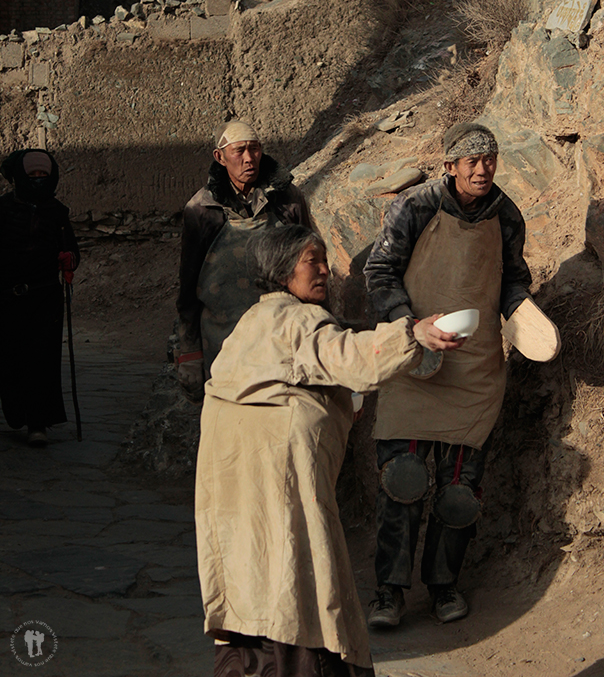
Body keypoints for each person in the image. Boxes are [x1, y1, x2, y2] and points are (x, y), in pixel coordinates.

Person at [195, 224, 455, 677]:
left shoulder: (250, 325)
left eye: (321, 259)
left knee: (251, 583)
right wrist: (411, 335)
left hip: (232, 487)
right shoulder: (297, 320)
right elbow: (348, 356)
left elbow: (295, 383)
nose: (322, 270)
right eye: (309, 261)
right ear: (281, 273)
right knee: (299, 584)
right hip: (280, 485)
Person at [364, 122, 532, 627]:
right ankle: (389, 593)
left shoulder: (506, 216)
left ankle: (443, 586)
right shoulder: (414, 208)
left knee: (460, 496)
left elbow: (513, 282)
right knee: (405, 480)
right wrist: (410, 326)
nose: (482, 169)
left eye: (490, 159)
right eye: (471, 161)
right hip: (414, 360)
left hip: (475, 368)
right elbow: (379, 272)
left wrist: (528, 315)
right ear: (450, 166)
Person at [175, 119, 310, 400]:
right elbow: (187, 288)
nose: (249, 159)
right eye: (239, 151)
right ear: (220, 157)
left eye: (255, 149)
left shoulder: (287, 200)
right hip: (223, 341)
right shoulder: (202, 210)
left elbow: (309, 268)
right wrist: (189, 352)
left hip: (280, 338)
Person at [0, 149, 79, 446]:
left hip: (45, 297)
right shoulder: (3, 209)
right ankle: (17, 414)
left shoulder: (57, 212)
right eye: (31, 176)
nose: (37, 181)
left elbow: (72, 249)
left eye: (42, 176)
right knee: (9, 358)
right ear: (20, 177)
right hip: (6, 297)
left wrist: (69, 258)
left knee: (41, 361)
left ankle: (38, 424)